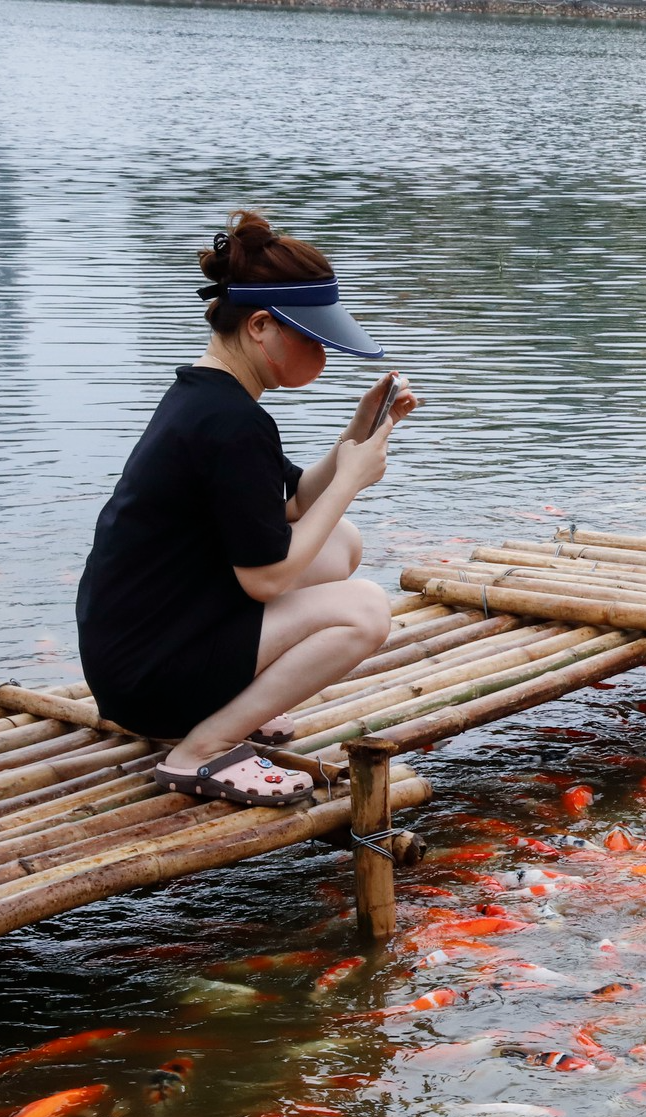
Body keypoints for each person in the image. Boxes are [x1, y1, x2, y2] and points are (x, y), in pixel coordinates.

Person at [76, 210, 414, 806]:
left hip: (142, 649)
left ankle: (229, 704)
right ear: (261, 326)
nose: (324, 354)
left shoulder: (210, 400)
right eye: (312, 336)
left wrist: (351, 442)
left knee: (343, 543)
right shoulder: (231, 423)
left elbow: (290, 504)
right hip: (149, 677)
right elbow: (267, 579)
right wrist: (351, 482)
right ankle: (200, 751)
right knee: (365, 611)